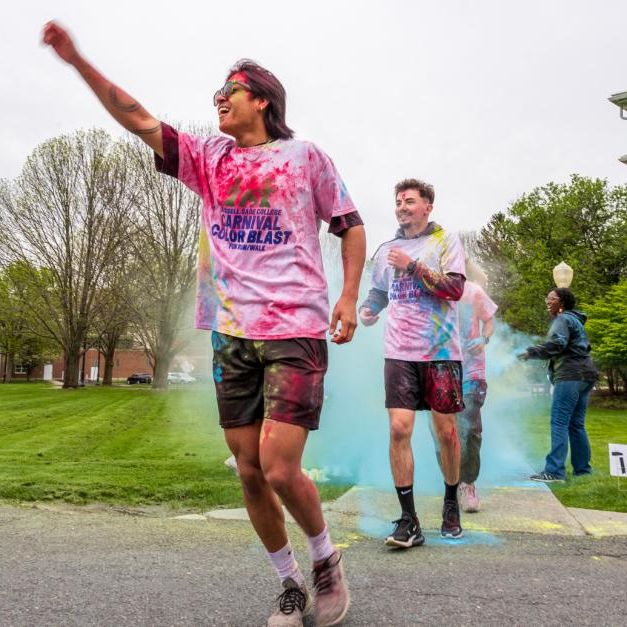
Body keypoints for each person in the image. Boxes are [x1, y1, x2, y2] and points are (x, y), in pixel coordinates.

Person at [43, 21, 366, 627]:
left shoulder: (305, 157)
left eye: (231, 89)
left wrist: (348, 297)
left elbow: (349, 223)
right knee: (247, 469)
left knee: (278, 465)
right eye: (216, 91)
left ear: (262, 99)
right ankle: (289, 584)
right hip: (231, 332)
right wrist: (78, 62)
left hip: (294, 329)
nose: (219, 98)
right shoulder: (207, 156)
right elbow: (138, 118)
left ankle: (326, 561)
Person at [359, 178, 466, 547]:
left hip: (440, 352)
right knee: (399, 430)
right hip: (399, 351)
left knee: (447, 434)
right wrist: (369, 309)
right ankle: (409, 519)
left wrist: (413, 266)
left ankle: (451, 503)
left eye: (409, 201)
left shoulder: (446, 241)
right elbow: (378, 291)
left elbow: (454, 289)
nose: (402, 207)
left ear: (427, 207)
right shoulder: (387, 249)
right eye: (398, 202)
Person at [431, 261, 497, 513]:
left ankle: (468, 483)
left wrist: (484, 338)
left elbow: (489, 321)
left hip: (472, 370)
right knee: (442, 431)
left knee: (468, 427)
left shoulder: (473, 291)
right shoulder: (431, 290)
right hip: (438, 368)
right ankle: (452, 482)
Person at [518, 287, 598, 483]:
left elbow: (557, 344)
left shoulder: (562, 320)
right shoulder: (575, 320)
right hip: (586, 374)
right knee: (576, 424)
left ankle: (554, 472)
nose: (547, 301)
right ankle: (582, 470)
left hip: (570, 375)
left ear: (561, 303)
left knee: (559, 422)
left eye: (551, 298)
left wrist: (531, 352)